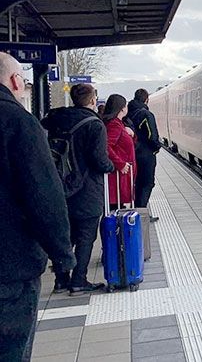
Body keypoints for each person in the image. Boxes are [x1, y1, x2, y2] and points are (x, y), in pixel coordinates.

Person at [0, 53, 75, 360]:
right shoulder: (17, 122)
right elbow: (44, 196)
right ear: (16, 81)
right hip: (9, 269)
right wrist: (62, 256)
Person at [41, 84, 114, 295]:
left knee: (64, 234)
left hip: (58, 186)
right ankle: (79, 280)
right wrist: (110, 166)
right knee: (85, 236)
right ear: (93, 100)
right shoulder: (94, 125)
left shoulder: (55, 120)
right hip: (86, 189)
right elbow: (100, 161)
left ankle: (61, 280)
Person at [126, 89, 161, 208]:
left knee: (135, 182)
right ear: (146, 100)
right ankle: (141, 211)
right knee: (147, 183)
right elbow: (153, 137)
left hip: (130, 153)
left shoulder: (127, 114)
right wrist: (156, 148)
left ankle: (135, 209)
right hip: (146, 154)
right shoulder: (146, 114)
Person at [103, 94, 136, 209]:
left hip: (120, 176)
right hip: (117, 177)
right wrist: (120, 164)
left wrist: (130, 133)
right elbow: (106, 146)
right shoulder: (114, 125)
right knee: (116, 209)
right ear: (122, 108)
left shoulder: (118, 124)